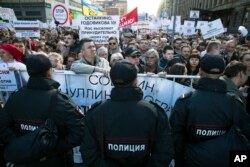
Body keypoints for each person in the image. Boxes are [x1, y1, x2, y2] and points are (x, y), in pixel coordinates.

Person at [80, 60, 174, 167]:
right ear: (135, 80)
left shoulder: (96, 111)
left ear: (112, 80)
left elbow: (88, 150)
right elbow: (164, 151)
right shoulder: (153, 111)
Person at [0, 54, 85, 166]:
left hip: (30, 158)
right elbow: (80, 131)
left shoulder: (16, 96)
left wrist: (22, 144)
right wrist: (52, 148)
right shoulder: (59, 100)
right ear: (50, 71)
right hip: (50, 160)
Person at [170, 55, 250, 167]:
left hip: (193, 159)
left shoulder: (186, 101)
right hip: (223, 159)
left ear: (200, 71)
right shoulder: (232, 101)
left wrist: (181, 160)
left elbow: (175, 134)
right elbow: (246, 130)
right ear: (222, 73)